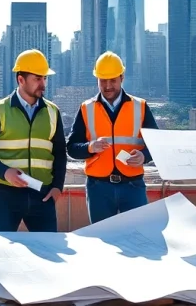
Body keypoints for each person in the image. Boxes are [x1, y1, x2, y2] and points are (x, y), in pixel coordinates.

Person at [0, 49, 67, 232]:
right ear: (20, 79)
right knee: (1, 252)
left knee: (48, 254)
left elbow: (60, 153)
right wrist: (5, 172)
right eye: (37, 79)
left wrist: (57, 187)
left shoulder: (53, 112)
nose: (43, 84)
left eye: (44, 78)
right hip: (5, 194)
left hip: (42, 195)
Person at [67, 51, 159, 223]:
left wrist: (143, 156)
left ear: (122, 78)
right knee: (102, 242)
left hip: (132, 186)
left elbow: (157, 144)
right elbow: (71, 148)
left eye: (112, 80)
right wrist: (89, 147)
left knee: (138, 237)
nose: (108, 86)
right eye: (103, 80)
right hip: (98, 188)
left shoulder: (140, 107)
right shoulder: (86, 108)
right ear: (97, 80)